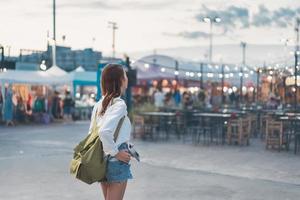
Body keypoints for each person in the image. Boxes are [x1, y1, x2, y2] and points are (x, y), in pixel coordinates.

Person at [88, 64, 133, 200]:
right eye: (125, 75)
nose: (127, 78)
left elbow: (92, 133)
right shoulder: (119, 104)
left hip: (101, 158)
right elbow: (104, 132)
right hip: (115, 159)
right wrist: (116, 153)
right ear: (120, 80)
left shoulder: (99, 104)